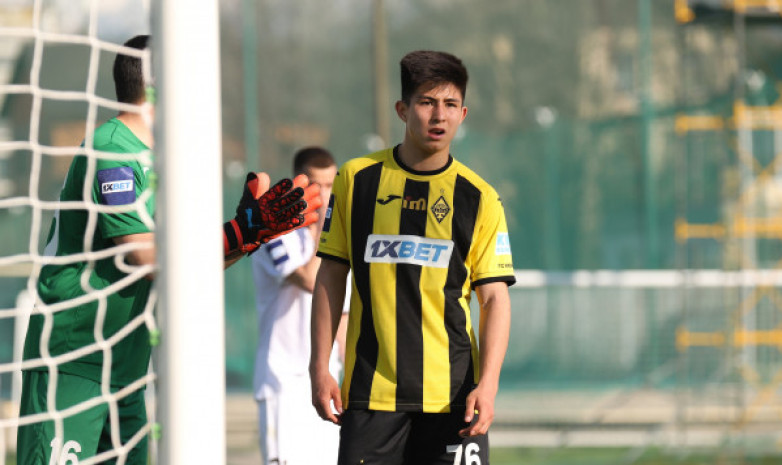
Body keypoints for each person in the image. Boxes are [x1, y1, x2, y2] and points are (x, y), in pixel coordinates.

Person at [17, 35, 318, 465]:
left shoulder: (165, 165)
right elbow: (144, 258)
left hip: (126, 369)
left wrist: (247, 238)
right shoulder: (113, 149)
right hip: (74, 363)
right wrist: (239, 231)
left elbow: (184, 268)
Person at [309, 50, 515, 465]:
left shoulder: (480, 197)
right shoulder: (356, 179)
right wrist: (319, 366)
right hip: (371, 395)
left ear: (463, 114)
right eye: (426, 102)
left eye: (450, 104)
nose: (439, 115)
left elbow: (494, 298)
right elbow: (330, 275)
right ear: (402, 110)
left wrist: (489, 384)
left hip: (454, 397)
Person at [250, 147, 348, 465]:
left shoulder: (339, 241)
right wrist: (325, 227)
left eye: (332, 185)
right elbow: (310, 279)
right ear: (299, 185)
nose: (326, 194)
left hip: (326, 380)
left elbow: (343, 313)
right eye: (317, 185)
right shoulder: (273, 230)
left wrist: (348, 373)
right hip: (284, 381)